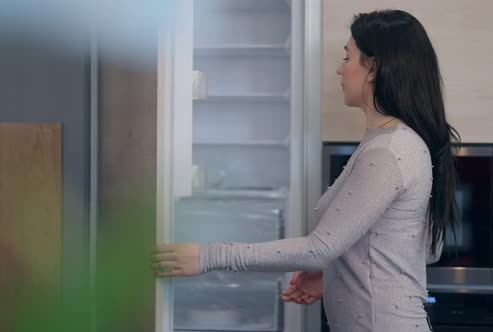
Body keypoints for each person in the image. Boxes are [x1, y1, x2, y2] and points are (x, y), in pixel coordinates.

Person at [151, 9, 460, 332]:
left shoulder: (388, 152)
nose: (340, 70)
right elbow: (414, 247)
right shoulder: (393, 143)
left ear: (372, 68)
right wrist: (335, 275)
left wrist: (208, 256)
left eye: (347, 57)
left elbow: (318, 249)